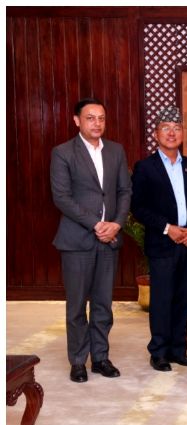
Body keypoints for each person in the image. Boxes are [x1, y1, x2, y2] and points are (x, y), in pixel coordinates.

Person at [50, 97, 131, 383]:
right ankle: (77, 361)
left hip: (109, 239)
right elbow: (61, 197)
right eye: (90, 118)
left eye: (101, 118)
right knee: (76, 306)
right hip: (77, 241)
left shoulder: (116, 151)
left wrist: (116, 224)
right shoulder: (63, 153)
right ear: (77, 121)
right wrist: (97, 224)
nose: (97, 123)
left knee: (103, 304)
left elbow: (124, 191)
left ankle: (100, 358)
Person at [130, 107, 187, 372]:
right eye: (166, 128)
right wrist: (167, 228)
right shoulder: (145, 168)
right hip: (163, 244)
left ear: (182, 134)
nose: (172, 133)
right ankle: (159, 352)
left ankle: (179, 350)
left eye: (176, 128)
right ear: (156, 134)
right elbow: (138, 207)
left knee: (184, 300)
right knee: (162, 300)